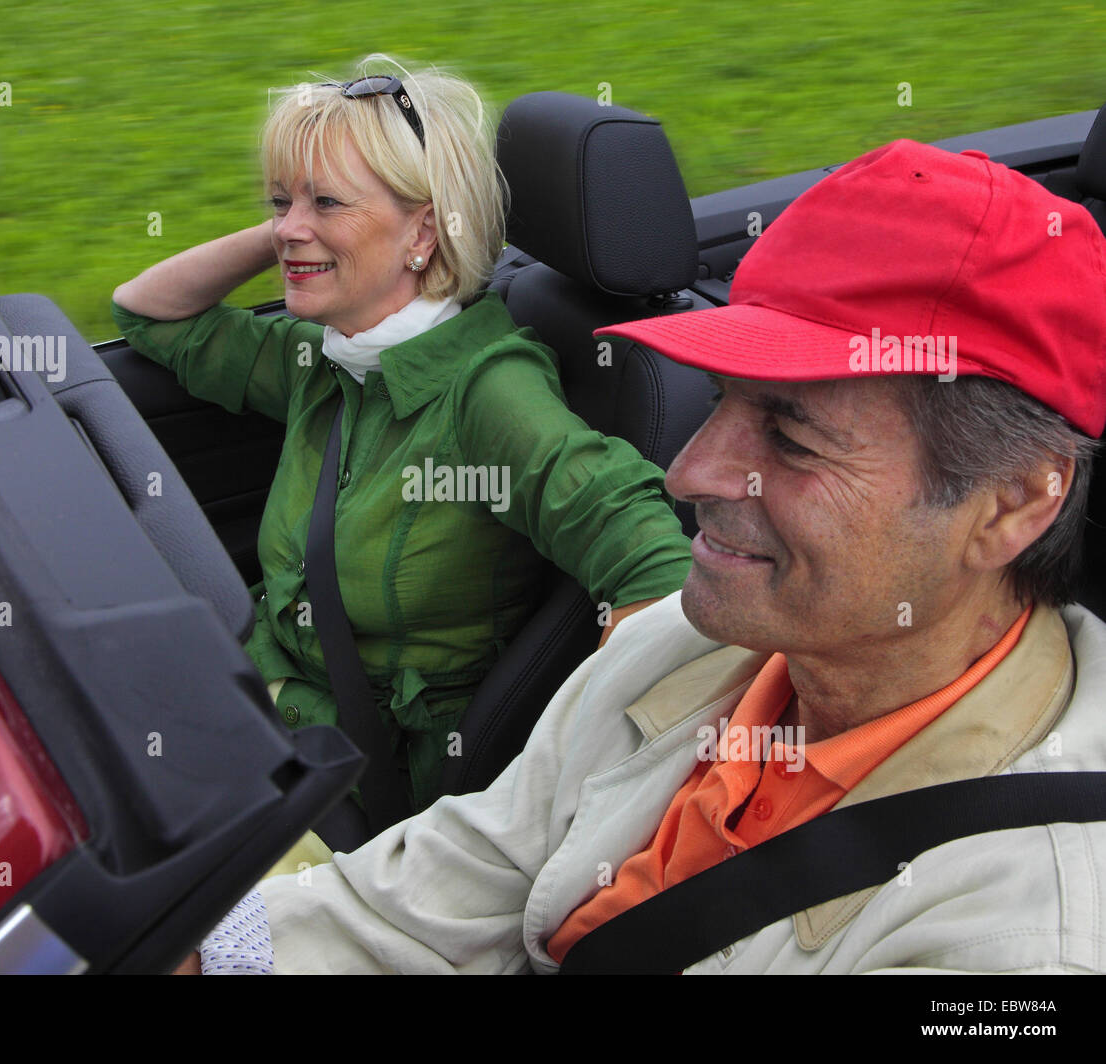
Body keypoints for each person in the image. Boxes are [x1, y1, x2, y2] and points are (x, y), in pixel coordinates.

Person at [196, 138, 1106, 974]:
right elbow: (450, 883)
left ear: (1016, 500)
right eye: (721, 402)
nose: (690, 473)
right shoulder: (689, 641)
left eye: (791, 439)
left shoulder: (1024, 944)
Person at [111, 58, 692, 817]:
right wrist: (302, 234)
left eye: (327, 201)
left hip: (355, 786)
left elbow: (651, 560)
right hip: (259, 704)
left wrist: (589, 772)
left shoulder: (488, 390)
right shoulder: (327, 355)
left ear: (423, 230)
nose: (288, 225)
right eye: (279, 201)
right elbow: (149, 316)